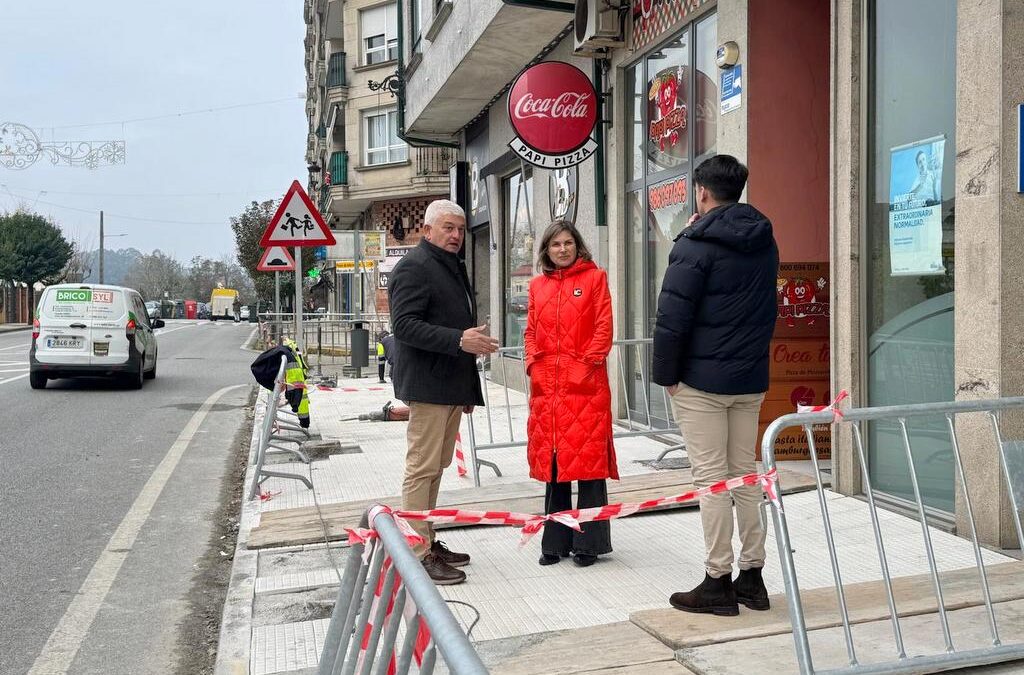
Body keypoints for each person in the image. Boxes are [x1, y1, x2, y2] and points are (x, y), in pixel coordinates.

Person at [652, 154, 778, 616]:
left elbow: (672, 318)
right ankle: (753, 577)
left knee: (711, 480)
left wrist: (666, 375)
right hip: (749, 378)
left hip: (703, 382)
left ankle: (716, 581)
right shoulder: (764, 240)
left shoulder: (693, 243)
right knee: (745, 475)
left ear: (702, 192)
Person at [388, 199, 499, 585]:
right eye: (448, 228)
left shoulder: (450, 266)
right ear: (427, 230)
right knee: (422, 469)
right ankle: (417, 553)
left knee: (435, 468)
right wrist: (459, 340)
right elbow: (404, 326)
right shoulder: (414, 267)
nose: (455, 236)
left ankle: (427, 539)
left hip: (447, 384)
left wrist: (465, 385)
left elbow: (456, 329)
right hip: (428, 384)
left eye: (460, 229)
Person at [524, 221, 618, 568]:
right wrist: (534, 366)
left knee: (588, 466)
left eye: (568, 243)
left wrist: (585, 366)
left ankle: (588, 544)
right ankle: (555, 541)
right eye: (555, 244)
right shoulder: (537, 286)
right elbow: (531, 331)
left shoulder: (595, 279)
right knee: (554, 465)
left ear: (578, 246)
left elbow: (603, 329)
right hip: (548, 389)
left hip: (586, 387)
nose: (562, 249)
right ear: (546, 250)